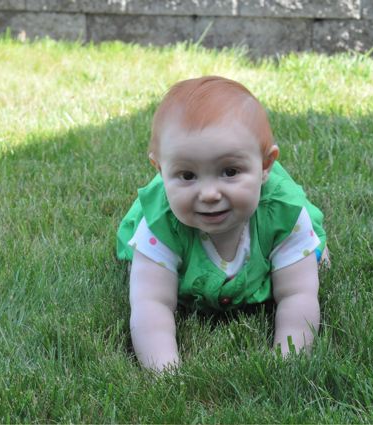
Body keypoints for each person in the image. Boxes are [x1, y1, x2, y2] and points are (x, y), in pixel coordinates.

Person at [116, 76, 327, 371]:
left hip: (279, 222)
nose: (209, 194)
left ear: (265, 166)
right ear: (161, 170)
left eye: (230, 171)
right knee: (143, 263)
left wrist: (288, 360)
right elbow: (151, 303)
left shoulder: (283, 216)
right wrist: (165, 373)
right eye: (187, 175)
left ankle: (304, 249)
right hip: (164, 236)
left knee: (306, 252)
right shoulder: (159, 226)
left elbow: (298, 294)